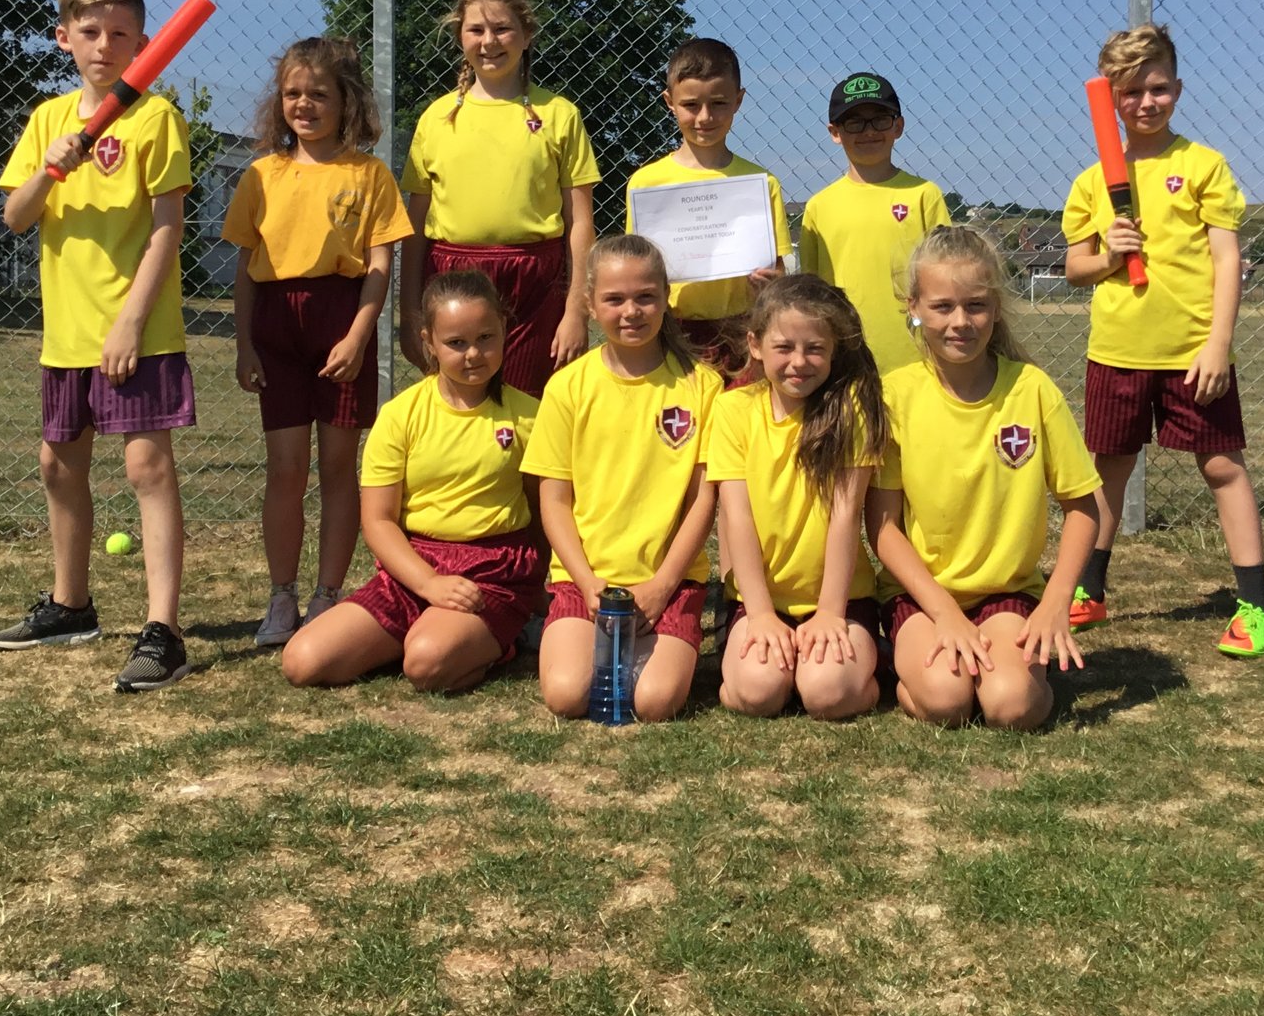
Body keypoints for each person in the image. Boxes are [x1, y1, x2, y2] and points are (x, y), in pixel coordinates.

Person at [0, 0, 197, 693]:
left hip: (136, 328)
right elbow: (17, 217)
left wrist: (132, 320)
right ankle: (70, 604)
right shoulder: (49, 119)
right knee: (57, 464)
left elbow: (168, 231)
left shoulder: (155, 119)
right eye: (88, 32)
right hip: (66, 333)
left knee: (147, 468)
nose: (104, 45)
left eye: (119, 33)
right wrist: (53, 169)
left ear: (142, 41)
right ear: (63, 38)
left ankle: (163, 631)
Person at [1062, 24, 1264, 657]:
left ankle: (1254, 605)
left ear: (1177, 89)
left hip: (1191, 351)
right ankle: (1090, 591)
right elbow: (1076, 266)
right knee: (1109, 469)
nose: (1145, 103)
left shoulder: (1202, 165)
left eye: (1157, 89)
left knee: (1222, 466)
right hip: (1118, 349)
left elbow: (1227, 258)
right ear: (1111, 99)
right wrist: (1107, 256)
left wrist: (1218, 343)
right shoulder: (1093, 179)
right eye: (1130, 92)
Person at [868, 227, 1102, 729]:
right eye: (942, 307)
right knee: (947, 701)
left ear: (995, 308)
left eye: (975, 305)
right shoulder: (896, 396)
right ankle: (905, 662)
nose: (960, 322)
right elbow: (883, 528)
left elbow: (1085, 507)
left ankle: (1017, 672)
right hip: (923, 597)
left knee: (1011, 707)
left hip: (1006, 594)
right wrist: (945, 614)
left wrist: (1056, 603)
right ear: (914, 307)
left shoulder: (1032, 390)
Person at [223, 37, 412, 647]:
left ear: (346, 101)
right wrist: (243, 345)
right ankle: (281, 597)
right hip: (277, 328)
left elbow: (380, 265)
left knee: (337, 466)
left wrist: (360, 335)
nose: (304, 105)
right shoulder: (262, 174)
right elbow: (246, 266)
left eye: (318, 94)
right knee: (285, 469)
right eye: (293, 93)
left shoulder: (369, 173)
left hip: (340, 323)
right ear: (280, 101)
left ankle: (327, 595)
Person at [280, 270, 544, 693]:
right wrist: (427, 583)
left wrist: (540, 595)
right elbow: (380, 521)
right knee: (302, 662)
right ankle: (431, 631)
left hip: (494, 570)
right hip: (415, 566)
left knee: (425, 664)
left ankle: (495, 640)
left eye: (485, 338)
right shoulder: (401, 414)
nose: (473, 354)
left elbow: (543, 514)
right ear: (430, 343)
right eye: (456, 343)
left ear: (505, 331)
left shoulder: (531, 415)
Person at [526, 234, 723, 722]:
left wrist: (662, 585)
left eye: (645, 297)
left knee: (654, 703)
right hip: (584, 577)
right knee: (567, 696)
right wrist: (587, 582)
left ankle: (655, 645)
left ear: (666, 297)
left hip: (667, 580)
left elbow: (705, 500)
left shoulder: (704, 386)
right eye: (614, 299)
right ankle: (585, 638)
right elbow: (553, 502)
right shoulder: (568, 387)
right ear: (590, 305)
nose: (631, 311)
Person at [398, 0, 599, 397]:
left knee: (529, 411)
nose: (490, 41)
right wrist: (410, 311)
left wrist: (576, 311)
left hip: (536, 281)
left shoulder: (559, 114)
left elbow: (580, 222)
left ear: (526, 34)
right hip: (451, 278)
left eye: (503, 28)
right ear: (460, 36)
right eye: (476, 29)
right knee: (459, 411)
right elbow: (414, 227)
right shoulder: (436, 119)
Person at [709, 275, 885, 721]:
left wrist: (829, 613)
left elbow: (846, 517)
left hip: (838, 599)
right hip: (759, 600)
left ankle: (865, 667)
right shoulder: (733, 411)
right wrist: (761, 614)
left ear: (834, 351)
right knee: (758, 692)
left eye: (815, 349)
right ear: (755, 344)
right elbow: (738, 517)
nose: (799, 362)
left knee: (829, 695)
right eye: (784, 347)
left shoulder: (850, 412)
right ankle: (765, 665)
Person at [624, 39, 790, 385]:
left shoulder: (760, 182)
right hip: (672, 331)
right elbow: (637, 270)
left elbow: (777, 270)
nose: (704, 117)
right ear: (669, 102)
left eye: (718, 104)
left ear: (738, 101)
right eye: (690, 105)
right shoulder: (646, 183)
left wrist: (770, 286)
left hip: (744, 330)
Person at [796, 71, 952, 377]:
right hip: (843, 356)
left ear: (899, 126)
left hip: (916, 356)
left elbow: (948, 275)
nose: (868, 132)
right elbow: (811, 293)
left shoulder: (924, 195)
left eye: (879, 120)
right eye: (854, 123)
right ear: (835, 132)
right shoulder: (819, 206)